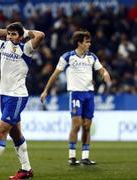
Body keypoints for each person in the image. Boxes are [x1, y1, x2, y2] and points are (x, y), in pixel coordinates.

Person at [0, 22, 45, 179]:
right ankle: (26, 169)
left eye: (14, 34)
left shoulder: (26, 48)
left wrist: (25, 32)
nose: (10, 36)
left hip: (17, 96)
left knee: (1, 131)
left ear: (20, 37)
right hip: (4, 96)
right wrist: (7, 31)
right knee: (16, 135)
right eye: (9, 34)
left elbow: (40, 35)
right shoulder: (3, 45)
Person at [40, 30, 111, 166]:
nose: (89, 44)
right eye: (87, 42)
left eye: (89, 41)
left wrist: (105, 72)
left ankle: (85, 157)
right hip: (76, 94)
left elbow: (101, 69)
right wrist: (46, 90)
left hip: (89, 94)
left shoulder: (92, 57)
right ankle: (72, 156)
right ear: (79, 43)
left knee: (87, 126)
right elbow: (55, 75)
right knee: (77, 124)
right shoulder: (68, 57)